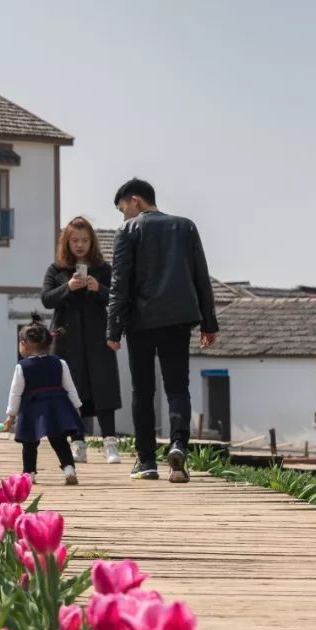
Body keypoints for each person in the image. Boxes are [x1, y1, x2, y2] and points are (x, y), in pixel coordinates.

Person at [106, 178, 218, 483]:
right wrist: (209, 324)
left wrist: (113, 328)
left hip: (140, 323)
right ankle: (179, 446)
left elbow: (120, 284)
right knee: (177, 388)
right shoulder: (186, 227)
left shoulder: (127, 232)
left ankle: (146, 461)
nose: (123, 216)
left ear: (136, 201)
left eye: (123, 209)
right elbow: (200, 277)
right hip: (179, 320)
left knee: (142, 390)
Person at [42, 217, 123, 465]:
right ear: (67, 242)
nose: (80, 245)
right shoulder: (56, 270)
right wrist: (69, 286)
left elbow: (117, 300)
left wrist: (98, 288)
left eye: (84, 240)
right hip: (67, 340)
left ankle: (110, 442)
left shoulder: (104, 269)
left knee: (103, 386)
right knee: (71, 388)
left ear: (92, 242)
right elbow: (47, 299)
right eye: (75, 240)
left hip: (99, 339)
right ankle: (77, 442)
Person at [1, 314, 85, 486]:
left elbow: (15, 393)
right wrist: (76, 407)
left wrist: (11, 415)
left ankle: (29, 474)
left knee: (29, 443)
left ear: (24, 344)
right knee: (59, 440)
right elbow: (70, 387)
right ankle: (69, 469)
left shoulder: (22, 367)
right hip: (56, 406)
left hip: (32, 408)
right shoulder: (59, 362)